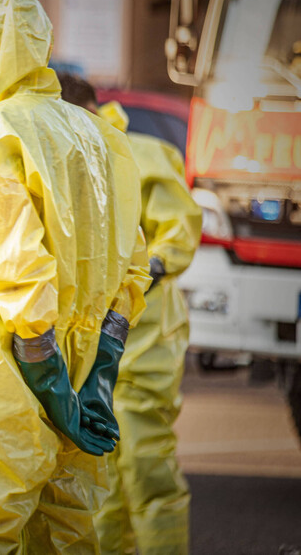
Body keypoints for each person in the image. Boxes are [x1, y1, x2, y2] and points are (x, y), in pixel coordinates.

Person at [0, 0, 151, 552]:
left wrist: (45, 377)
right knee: (66, 534)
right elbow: (132, 264)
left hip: (2, 370)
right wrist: (99, 371)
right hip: (82, 362)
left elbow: (17, 265)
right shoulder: (99, 133)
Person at [58, 74, 202, 555]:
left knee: (146, 465)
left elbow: (177, 231)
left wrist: (146, 269)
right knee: (100, 467)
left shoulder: (139, 153)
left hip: (144, 342)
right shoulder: (66, 158)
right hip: (93, 344)